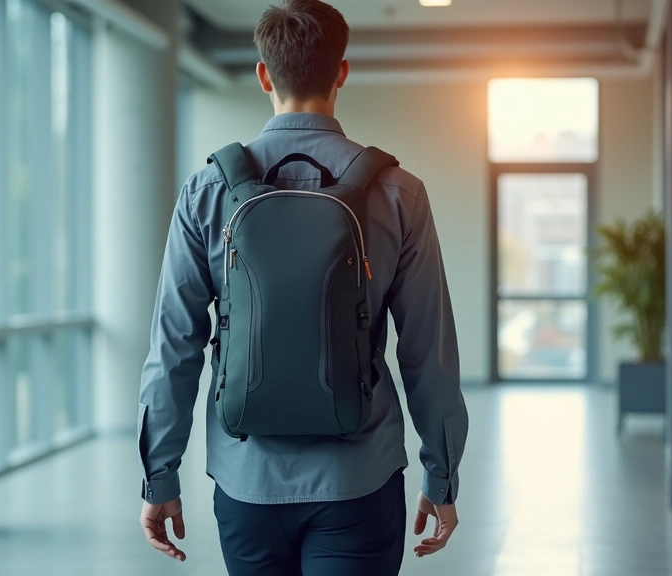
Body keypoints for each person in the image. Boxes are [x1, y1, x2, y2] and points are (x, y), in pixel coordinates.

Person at [136, 1, 469, 574]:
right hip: (360, 477)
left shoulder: (207, 191)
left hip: (246, 480)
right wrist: (441, 474)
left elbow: (173, 348)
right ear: (342, 72)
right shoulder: (398, 192)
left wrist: (159, 475)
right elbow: (427, 350)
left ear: (264, 75)